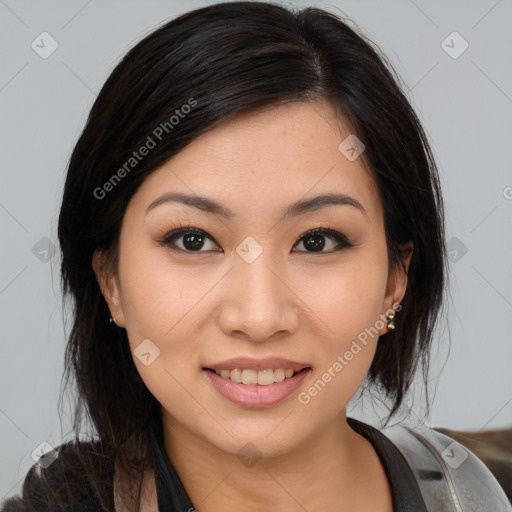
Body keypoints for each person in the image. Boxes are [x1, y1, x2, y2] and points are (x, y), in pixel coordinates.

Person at [2, 2, 510, 511]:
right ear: (110, 280)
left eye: (317, 241)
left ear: (395, 280)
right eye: (193, 240)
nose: (259, 317)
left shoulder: (481, 489)